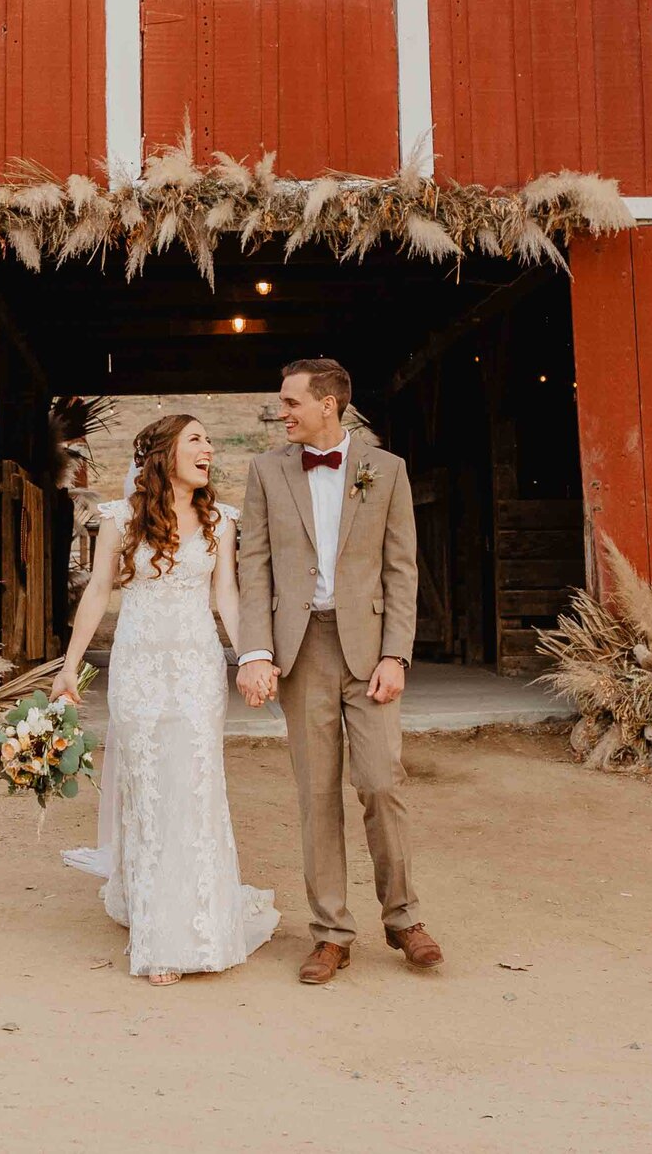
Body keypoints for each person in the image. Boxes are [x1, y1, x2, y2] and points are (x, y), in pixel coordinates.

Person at [234, 358, 441, 986]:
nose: (282, 412)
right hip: (302, 650)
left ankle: (403, 918)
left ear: (330, 404)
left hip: (370, 647)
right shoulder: (266, 470)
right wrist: (256, 651)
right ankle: (329, 933)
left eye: (292, 401)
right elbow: (255, 566)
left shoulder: (388, 471)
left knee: (381, 782)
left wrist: (395, 653)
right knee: (316, 792)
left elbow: (402, 568)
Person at [53, 414, 278, 985]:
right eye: (197, 439)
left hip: (197, 667)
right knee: (150, 790)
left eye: (209, 438)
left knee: (196, 787)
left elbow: (226, 593)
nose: (209, 449)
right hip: (139, 669)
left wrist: (251, 654)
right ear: (163, 454)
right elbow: (99, 591)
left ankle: (197, 921)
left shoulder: (220, 521)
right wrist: (69, 667)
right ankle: (159, 929)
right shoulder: (119, 518)